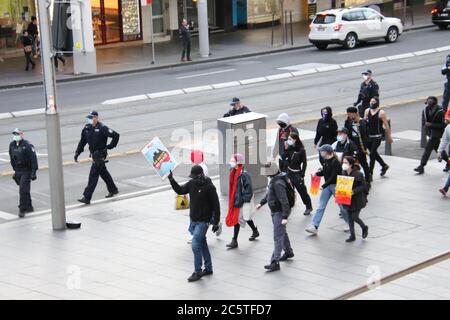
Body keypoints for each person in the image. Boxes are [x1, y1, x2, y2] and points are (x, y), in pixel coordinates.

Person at [168, 166, 221, 282]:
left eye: (194, 177)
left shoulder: (209, 187)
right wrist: (171, 180)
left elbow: (216, 205)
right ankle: (208, 268)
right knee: (202, 243)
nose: (193, 179)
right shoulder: (192, 183)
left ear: (201, 175)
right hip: (194, 220)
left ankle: (198, 272)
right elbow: (180, 190)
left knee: (196, 245)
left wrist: (216, 222)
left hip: (204, 221)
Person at [75, 111, 120, 204]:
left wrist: (110, 146)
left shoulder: (102, 128)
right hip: (94, 155)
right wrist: (77, 152)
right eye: (89, 117)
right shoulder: (87, 128)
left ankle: (87, 197)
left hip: (100, 155)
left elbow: (116, 135)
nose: (90, 119)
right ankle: (113, 189)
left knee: (93, 175)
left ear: (96, 118)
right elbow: (82, 141)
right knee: (103, 173)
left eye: (92, 117)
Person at [256, 162, 293, 272]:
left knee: (278, 236)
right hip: (275, 210)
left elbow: (284, 201)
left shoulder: (278, 183)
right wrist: (262, 202)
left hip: (279, 212)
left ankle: (274, 262)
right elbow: (270, 193)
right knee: (282, 233)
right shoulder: (275, 180)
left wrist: (285, 216)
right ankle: (289, 252)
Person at [305, 145, 348, 235]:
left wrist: (323, 185)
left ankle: (349, 223)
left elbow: (334, 177)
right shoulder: (325, 161)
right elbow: (325, 173)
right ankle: (314, 226)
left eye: (321, 151)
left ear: (327, 152)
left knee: (343, 207)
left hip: (338, 186)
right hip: (328, 186)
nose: (320, 153)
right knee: (321, 206)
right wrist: (317, 173)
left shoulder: (335, 162)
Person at [225, 154, 260, 249]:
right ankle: (255, 231)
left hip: (241, 200)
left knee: (238, 219)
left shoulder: (243, 174)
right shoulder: (233, 171)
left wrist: (243, 201)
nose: (231, 162)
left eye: (233, 160)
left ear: (238, 162)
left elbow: (248, 190)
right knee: (245, 217)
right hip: (236, 199)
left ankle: (234, 240)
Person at [9, 128, 38, 218]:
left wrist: (34, 172)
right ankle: (29, 207)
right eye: (15, 134)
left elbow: (33, 159)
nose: (16, 135)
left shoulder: (28, 145)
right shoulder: (12, 145)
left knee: (23, 190)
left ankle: (22, 209)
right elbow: (11, 157)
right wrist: (14, 170)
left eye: (17, 134)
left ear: (22, 135)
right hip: (18, 170)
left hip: (26, 170)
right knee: (24, 190)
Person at [414, 97, 446, 174]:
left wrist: (431, 125)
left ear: (434, 104)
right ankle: (448, 162)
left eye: (430, 103)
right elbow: (423, 121)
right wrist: (425, 126)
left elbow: (443, 125)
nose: (428, 105)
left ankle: (421, 166)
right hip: (430, 133)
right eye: (428, 103)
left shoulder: (441, 111)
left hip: (437, 133)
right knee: (438, 149)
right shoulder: (425, 110)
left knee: (427, 149)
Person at [341, 156, 369, 243]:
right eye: (343, 162)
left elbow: (364, 186)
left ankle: (364, 227)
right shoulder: (344, 173)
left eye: (346, 163)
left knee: (354, 216)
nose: (344, 164)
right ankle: (352, 236)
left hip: (357, 200)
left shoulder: (358, 174)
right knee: (349, 218)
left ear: (351, 165)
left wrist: (353, 191)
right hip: (347, 199)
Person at [286, 132, 313, 215]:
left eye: (290, 139)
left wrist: (302, 175)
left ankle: (308, 206)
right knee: (288, 191)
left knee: (302, 191)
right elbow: (285, 158)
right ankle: (289, 206)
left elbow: (304, 163)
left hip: (297, 174)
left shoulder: (301, 150)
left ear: (295, 140)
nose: (288, 140)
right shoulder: (289, 148)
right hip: (289, 172)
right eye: (288, 139)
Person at [364, 97, 392, 177]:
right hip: (369, 136)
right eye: (371, 101)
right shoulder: (367, 111)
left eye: (373, 101)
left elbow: (386, 125)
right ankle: (384, 165)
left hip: (377, 136)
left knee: (372, 153)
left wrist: (389, 137)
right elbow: (364, 122)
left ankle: (370, 173)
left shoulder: (381, 112)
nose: (371, 103)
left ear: (377, 102)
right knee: (374, 153)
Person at [344, 107, 371, 184]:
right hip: (352, 146)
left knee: (364, 164)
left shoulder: (362, 122)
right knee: (349, 164)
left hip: (360, 147)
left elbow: (366, 136)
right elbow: (346, 131)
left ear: (355, 113)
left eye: (350, 114)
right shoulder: (348, 121)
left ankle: (367, 180)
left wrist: (365, 148)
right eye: (348, 114)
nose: (349, 116)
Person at [438, 114, 450, 196]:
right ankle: (445, 188)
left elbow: (444, 140)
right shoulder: (448, 128)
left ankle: (445, 188)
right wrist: (439, 151)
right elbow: (444, 140)